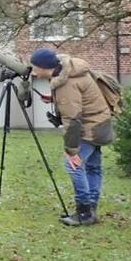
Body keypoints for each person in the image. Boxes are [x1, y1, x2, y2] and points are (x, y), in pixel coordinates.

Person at [29, 48, 114, 226]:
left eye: (35, 68)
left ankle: (84, 213)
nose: (34, 72)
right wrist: (53, 99)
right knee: (93, 167)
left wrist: (72, 150)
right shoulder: (71, 71)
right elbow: (80, 98)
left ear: (45, 67)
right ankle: (91, 210)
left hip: (89, 127)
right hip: (100, 123)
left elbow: (72, 120)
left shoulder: (66, 83)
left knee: (73, 165)